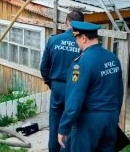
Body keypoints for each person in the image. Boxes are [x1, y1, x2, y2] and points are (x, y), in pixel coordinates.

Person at [58, 21, 123, 151]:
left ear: (83, 38)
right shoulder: (113, 58)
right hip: (110, 117)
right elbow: (119, 91)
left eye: (77, 38)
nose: (77, 42)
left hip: (89, 121)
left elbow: (74, 99)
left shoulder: (82, 63)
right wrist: (115, 115)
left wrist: (64, 127)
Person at [40, 10, 84, 152]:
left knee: (55, 125)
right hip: (75, 88)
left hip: (57, 87)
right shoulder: (83, 43)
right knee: (71, 125)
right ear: (81, 24)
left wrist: (50, 83)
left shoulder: (53, 40)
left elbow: (43, 67)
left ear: (67, 22)